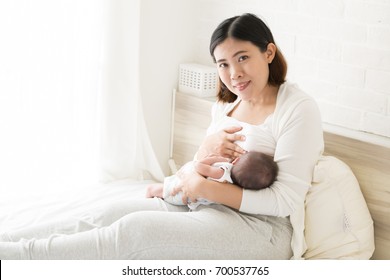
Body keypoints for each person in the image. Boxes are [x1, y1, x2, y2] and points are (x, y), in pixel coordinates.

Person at [0, 13, 323, 260]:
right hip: (204, 205)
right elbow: (200, 170)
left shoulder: (297, 109)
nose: (233, 73)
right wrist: (198, 161)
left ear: (268, 53)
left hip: (261, 231)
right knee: (107, 213)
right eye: (223, 63)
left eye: (242, 58)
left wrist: (202, 186)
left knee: (134, 232)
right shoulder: (226, 107)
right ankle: (10, 240)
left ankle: (19, 258)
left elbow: (284, 202)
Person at [146, 150, 278, 210]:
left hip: (184, 190)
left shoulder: (222, 172)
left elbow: (199, 167)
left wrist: (214, 159)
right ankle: (151, 193)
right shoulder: (233, 186)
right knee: (165, 191)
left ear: (236, 160)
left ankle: (150, 191)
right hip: (187, 191)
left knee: (165, 191)